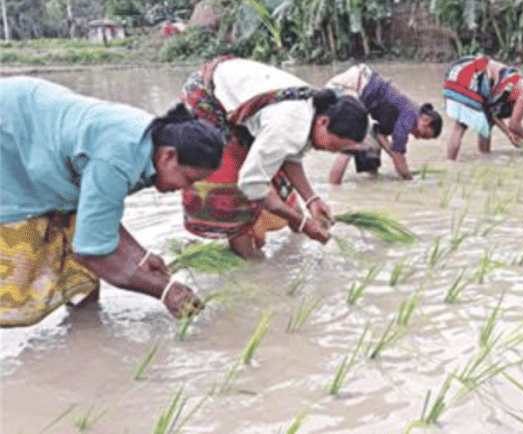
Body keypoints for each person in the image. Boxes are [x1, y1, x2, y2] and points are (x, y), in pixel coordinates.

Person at [1, 77, 225, 327]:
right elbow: (90, 253)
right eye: (189, 179)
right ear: (167, 156)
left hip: (33, 114)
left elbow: (100, 211)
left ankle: (87, 332)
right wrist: (165, 290)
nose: (187, 188)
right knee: (19, 267)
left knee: (81, 252)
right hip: (12, 130)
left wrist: (139, 255)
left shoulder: (152, 145)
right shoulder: (117, 160)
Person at [181, 56, 368, 259]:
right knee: (233, 196)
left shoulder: (314, 109)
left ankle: (283, 253)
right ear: (323, 122)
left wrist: (312, 200)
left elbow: (290, 155)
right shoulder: (288, 123)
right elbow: (251, 184)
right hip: (209, 96)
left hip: (242, 98)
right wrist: (302, 223)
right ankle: (252, 265)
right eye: (334, 145)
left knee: (279, 185)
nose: (331, 152)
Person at [324, 64, 443, 184]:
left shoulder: (401, 114)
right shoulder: (410, 114)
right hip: (355, 84)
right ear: (426, 120)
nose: (417, 137)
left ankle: (369, 183)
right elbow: (398, 153)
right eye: (423, 135)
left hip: (359, 83)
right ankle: (333, 187)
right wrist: (409, 180)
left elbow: (380, 135)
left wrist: (395, 158)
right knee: (351, 142)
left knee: (370, 145)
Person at [443, 56, 523, 160]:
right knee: (460, 126)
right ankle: (451, 165)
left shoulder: (515, 85)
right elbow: (514, 125)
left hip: (459, 69)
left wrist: (508, 134)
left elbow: (491, 113)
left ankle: (484, 158)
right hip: (468, 72)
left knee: (486, 123)